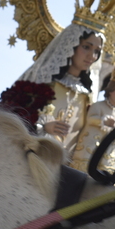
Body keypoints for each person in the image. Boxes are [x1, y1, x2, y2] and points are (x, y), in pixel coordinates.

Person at [19, 21, 105, 163]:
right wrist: (43, 127)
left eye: (97, 51)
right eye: (86, 47)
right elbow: (17, 113)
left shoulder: (87, 97)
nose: (92, 56)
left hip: (63, 169)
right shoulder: (44, 81)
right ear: (71, 45)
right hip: (30, 158)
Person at [71, 57, 115, 183]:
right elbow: (90, 119)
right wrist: (103, 121)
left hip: (109, 155)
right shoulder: (98, 106)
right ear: (111, 91)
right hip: (90, 147)